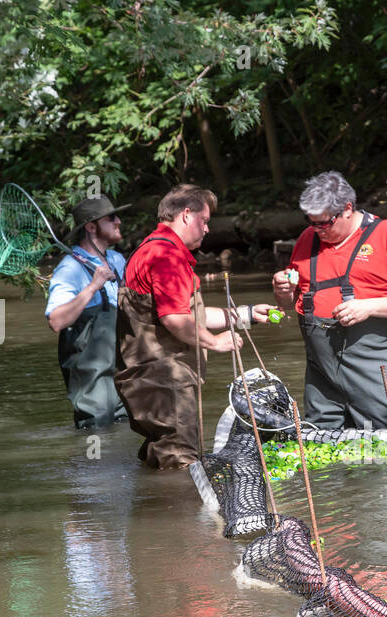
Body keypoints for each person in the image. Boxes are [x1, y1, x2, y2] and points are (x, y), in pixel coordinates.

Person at [114, 184, 273, 470]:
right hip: (164, 383)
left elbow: (189, 315)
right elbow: (175, 320)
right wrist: (215, 342)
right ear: (186, 215)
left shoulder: (152, 248)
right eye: (205, 220)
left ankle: (152, 510)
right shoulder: (166, 257)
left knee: (160, 461)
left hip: (149, 385)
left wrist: (244, 315)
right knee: (181, 467)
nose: (208, 229)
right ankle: (181, 515)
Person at [271, 171, 387, 429]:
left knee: (385, 444)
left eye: (325, 223)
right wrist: (282, 291)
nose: (317, 230)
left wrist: (369, 306)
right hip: (321, 375)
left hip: (373, 369)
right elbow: (291, 302)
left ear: (348, 209)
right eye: (311, 222)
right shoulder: (307, 239)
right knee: (322, 445)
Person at [45, 195, 128, 429]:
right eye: (111, 218)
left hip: (124, 380)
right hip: (93, 394)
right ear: (91, 227)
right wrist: (93, 286)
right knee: (97, 439)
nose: (119, 221)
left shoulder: (117, 260)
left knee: (128, 435)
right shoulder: (70, 268)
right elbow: (56, 321)